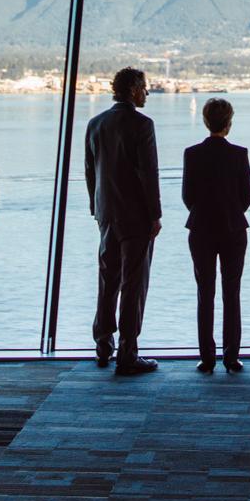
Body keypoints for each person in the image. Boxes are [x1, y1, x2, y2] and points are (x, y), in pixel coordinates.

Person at [85, 66, 161, 376]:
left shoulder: (95, 124)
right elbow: (149, 174)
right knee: (134, 284)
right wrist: (155, 214)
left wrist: (96, 206)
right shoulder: (143, 125)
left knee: (108, 280)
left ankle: (103, 345)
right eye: (144, 88)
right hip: (136, 217)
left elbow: (91, 171)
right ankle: (128, 352)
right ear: (132, 90)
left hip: (106, 213)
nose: (147, 93)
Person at [182, 96, 250, 374]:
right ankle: (231, 356)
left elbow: (187, 196)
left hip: (201, 229)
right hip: (233, 228)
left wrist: (203, 212)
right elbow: (246, 196)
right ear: (229, 123)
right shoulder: (239, 154)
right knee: (231, 293)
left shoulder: (192, 154)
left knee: (205, 293)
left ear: (205, 120)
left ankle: (206, 357)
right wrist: (232, 211)